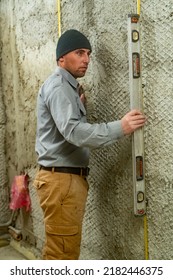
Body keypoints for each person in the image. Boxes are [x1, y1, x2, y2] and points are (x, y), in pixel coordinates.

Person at [33, 29, 146, 260]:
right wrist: (120, 127)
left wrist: (77, 104)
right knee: (62, 256)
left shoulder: (67, 88)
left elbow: (66, 124)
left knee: (62, 250)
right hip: (61, 181)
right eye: (79, 52)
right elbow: (73, 132)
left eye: (88, 54)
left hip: (64, 180)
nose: (86, 59)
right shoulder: (60, 87)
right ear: (61, 58)